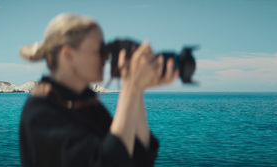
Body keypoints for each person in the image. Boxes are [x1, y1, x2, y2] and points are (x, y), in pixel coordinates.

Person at [19, 13, 178, 167]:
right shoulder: (40, 113)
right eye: (99, 50)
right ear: (68, 55)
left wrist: (138, 88)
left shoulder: (87, 104)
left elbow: (140, 157)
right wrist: (132, 87)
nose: (106, 58)